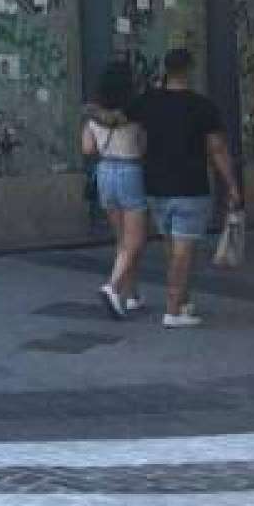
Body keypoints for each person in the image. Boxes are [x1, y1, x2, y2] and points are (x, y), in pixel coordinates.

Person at [129, 48, 243, 328]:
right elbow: (217, 149)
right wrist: (231, 184)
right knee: (184, 251)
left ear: (165, 70)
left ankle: (182, 301)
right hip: (190, 186)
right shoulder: (202, 106)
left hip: (155, 185)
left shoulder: (148, 102)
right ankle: (173, 310)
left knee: (172, 247)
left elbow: (134, 134)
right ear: (190, 69)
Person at [83, 61, 147, 319]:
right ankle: (113, 287)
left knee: (123, 240)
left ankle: (131, 295)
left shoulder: (93, 115)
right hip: (130, 172)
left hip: (104, 172)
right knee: (135, 240)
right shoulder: (136, 113)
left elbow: (88, 149)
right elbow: (143, 148)